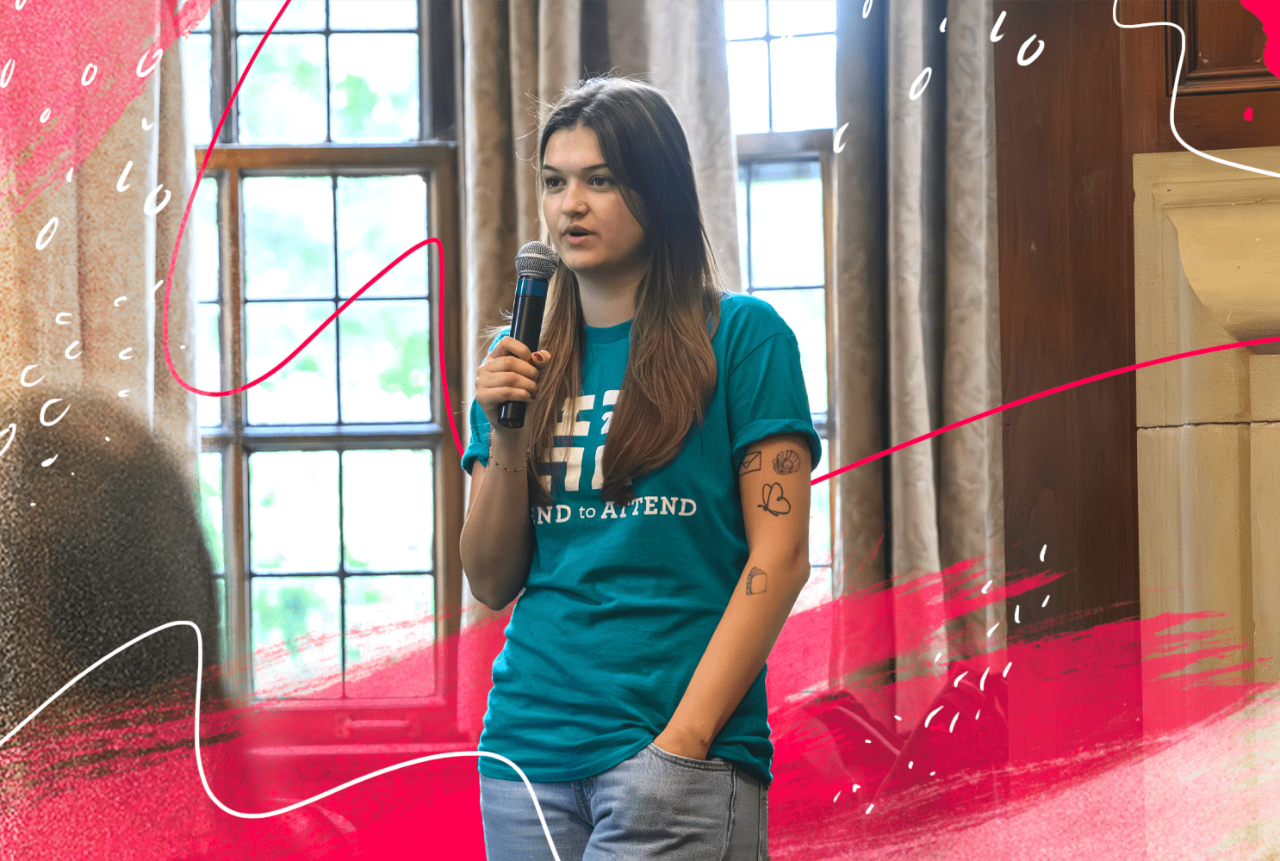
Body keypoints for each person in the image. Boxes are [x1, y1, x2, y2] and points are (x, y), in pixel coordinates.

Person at [459, 77, 821, 861]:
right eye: (555, 182)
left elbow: (781, 557)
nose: (570, 206)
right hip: (524, 755)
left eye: (601, 179)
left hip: (676, 753)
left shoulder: (745, 339)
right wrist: (508, 435)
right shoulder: (517, 360)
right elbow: (490, 579)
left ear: (657, 190)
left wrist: (684, 741)